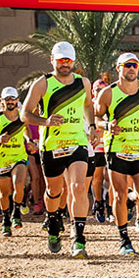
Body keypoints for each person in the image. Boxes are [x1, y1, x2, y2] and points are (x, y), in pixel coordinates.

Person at [22, 41, 96, 257]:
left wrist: (91, 125)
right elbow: (24, 114)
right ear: (52, 60)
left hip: (77, 142)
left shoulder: (83, 83)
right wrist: (45, 122)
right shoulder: (42, 84)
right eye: (61, 60)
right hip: (52, 145)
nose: (65, 64)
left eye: (69, 60)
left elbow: (88, 106)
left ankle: (78, 237)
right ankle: (53, 221)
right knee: (55, 191)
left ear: (73, 62)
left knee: (78, 186)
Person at [95, 53, 139, 256]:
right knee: (118, 194)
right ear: (118, 68)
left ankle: (131, 202)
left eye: (135, 65)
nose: (132, 68)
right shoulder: (108, 93)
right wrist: (106, 125)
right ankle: (124, 240)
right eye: (127, 65)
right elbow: (95, 118)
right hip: (117, 148)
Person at [0, 87, 31, 236]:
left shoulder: (22, 117)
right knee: (4, 193)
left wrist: (30, 141)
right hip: (2, 159)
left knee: (18, 184)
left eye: (13, 99)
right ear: (2, 101)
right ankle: (6, 220)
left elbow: (27, 131)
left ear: (17, 100)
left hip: (19, 157)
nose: (10, 102)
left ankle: (16, 213)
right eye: (7, 99)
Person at [89, 79, 110, 223]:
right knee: (97, 177)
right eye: (97, 89)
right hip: (94, 145)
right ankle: (98, 202)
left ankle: (110, 203)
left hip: (108, 143)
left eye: (103, 89)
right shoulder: (88, 106)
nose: (100, 92)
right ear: (93, 92)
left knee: (110, 176)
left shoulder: (110, 102)